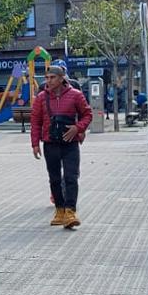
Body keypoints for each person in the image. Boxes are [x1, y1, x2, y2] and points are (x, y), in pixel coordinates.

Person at [31, 64, 92, 229]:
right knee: (55, 179)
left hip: (70, 143)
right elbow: (35, 121)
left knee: (71, 177)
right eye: (47, 78)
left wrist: (78, 128)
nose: (48, 81)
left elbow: (87, 114)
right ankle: (59, 209)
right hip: (50, 143)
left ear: (61, 78)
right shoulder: (42, 98)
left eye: (52, 77)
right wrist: (35, 144)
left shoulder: (76, 95)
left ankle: (70, 211)